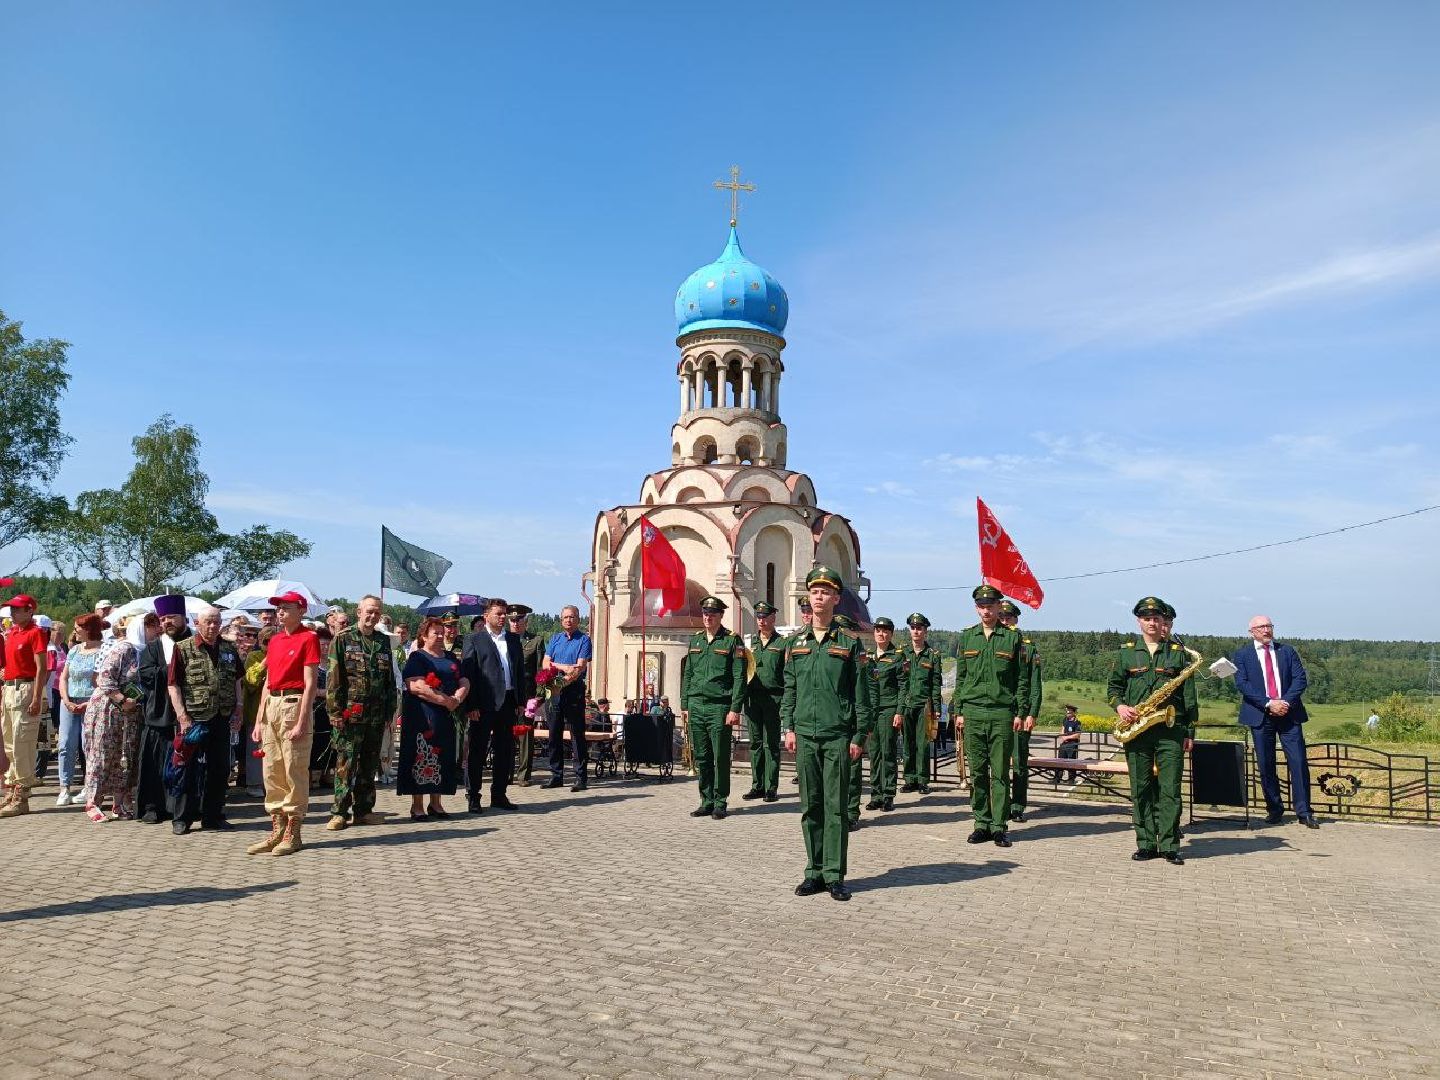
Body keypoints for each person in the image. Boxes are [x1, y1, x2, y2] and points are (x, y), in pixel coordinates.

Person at [782, 567, 873, 901]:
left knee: (835, 808)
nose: (818, 597)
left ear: (836, 599)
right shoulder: (796, 644)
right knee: (811, 807)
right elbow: (789, 688)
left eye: (825, 592)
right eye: (814, 592)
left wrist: (858, 737)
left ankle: (835, 874)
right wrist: (788, 727)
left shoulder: (848, 645)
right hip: (805, 734)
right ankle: (814, 872)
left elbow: (861, 695)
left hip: (837, 736)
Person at [1107, 596, 1197, 866]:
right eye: (1147, 618)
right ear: (1139, 621)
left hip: (1170, 730)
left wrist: (1189, 732)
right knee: (1141, 788)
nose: (1152, 623)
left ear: (1162, 621)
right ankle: (1146, 843)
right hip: (1138, 730)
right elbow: (1113, 689)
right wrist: (1121, 707)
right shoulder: (1125, 653)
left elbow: (1189, 697)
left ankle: (1169, 844)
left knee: (1170, 789)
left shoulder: (1178, 654)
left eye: (1157, 618)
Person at [953, 585, 1030, 848]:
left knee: (998, 773)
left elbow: (1021, 678)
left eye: (991, 606)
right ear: (976, 608)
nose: (986, 611)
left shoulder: (1012, 638)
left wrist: (1020, 711)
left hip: (1001, 713)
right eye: (982, 606)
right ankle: (981, 823)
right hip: (973, 712)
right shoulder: (967, 638)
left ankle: (999, 826)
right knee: (977, 773)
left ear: (999, 607)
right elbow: (961, 677)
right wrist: (959, 710)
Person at [246, 592, 321, 857]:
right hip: (272, 706)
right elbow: (267, 681)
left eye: (286, 608)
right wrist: (258, 719)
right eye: (278, 608)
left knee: (294, 767)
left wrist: (302, 720)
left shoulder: (309, 638)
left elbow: (310, 683)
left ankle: (293, 831)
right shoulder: (275, 640)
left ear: (301, 610)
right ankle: (276, 828)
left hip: (293, 703)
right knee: (272, 768)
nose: (280, 613)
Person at [1232, 615, 1316, 828]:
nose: (1266, 630)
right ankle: (1274, 809)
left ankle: (1304, 811)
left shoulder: (1287, 651)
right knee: (1266, 764)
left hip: (1289, 713)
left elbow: (1300, 679)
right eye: (1261, 627)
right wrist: (1269, 703)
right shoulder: (1242, 655)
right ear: (1251, 631)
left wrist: (1284, 702)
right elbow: (1242, 684)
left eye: (1269, 626)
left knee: (1298, 761)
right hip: (1260, 714)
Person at [323, 595, 398, 831]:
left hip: (376, 716)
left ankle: (364, 810)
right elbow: (334, 679)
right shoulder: (343, 639)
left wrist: (390, 714)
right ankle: (339, 812)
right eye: (369, 611)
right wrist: (335, 712)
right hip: (350, 715)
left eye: (377, 612)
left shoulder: (383, 641)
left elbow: (390, 681)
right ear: (359, 612)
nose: (373, 616)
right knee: (346, 764)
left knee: (369, 764)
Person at [167, 605, 242, 834]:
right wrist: (182, 715)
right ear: (197, 624)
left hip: (222, 716)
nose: (213, 626)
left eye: (217, 622)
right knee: (188, 769)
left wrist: (239, 709)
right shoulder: (184, 648)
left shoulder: (229, 648)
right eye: (208, 622)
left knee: (220, 770)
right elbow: (173, 684)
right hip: (194, 719)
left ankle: (213, 816)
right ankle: (182, 818)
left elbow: (238, 681)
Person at [680, 596, 748, 820]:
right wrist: (685, 704)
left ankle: (720, 801)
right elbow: (688, 673)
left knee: (720, 756)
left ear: (721, 616)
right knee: (702, 755)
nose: (708, 617)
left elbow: (739, 677)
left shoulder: (731, 640)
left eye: (712, 614)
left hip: (719, 706)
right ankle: (706, 800)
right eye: (705, 613)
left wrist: (734, 708)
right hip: (696, 705)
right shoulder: (697, 640)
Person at [77, 615, 148, 822]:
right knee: (101, 754)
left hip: (130, 712)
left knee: (124, 756)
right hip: (108, 708)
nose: (156, 631)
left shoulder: (145, 651)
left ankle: (119, 803)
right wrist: (121, 698)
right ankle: (93, 802)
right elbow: (104, 677)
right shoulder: (123, 648)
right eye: (150, 626)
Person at [399, 616, 468, 819]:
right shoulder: (418, 658)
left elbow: (464, 679)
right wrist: (446, 700)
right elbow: (416, 686)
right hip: (422, 717)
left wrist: (457, 697)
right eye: (435, 633)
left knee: (443, 757)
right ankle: (417, 805)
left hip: (446, 717)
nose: (440, 635)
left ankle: (436, 803)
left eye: (441, 632)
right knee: (421, 757)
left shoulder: (451, 657)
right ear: (423, 635)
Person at [461, 597, 523, 814]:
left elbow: (518, 672)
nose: (503, 617)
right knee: (477, 751)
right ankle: (473, 796)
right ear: (486, 616)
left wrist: (520, 701)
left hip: (507, 702)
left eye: (505, 613)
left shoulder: (513, 640)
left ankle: (499, 795)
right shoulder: (474, 639)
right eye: (498, 613)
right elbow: (470, 673)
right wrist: (472, 704)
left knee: (504, 751)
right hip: (483, 703)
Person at [135, 595, 191, 825]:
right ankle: (154, 807)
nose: (167, 622)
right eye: (163, 618)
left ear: (184, 618)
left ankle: (185, 809)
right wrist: (169, 670)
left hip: (189, 714)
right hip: (159, 714)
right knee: (155, 764)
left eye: (172, 617)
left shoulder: (195, 644)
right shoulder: (153, 648)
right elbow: (145, 674)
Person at [1, 593, 50, 817]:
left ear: (30, 610)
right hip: (10, 688)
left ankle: (21, 796)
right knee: (10, 742)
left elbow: (42, 668)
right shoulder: (11, 633)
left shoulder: (36, 633)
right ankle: (11, 791)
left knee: (23, 742)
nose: (13, 612)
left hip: (26, 688)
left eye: (18, 609)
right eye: (12, 609)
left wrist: (37, 697)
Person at [998, 599, 1042, 824]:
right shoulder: (994, 644)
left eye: (1009, 618)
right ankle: (1001, 804)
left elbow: (1035, 685)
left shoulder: (1028, 647)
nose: (1005, 621)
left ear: (1016, 619)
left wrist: (1031, 713)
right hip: (999, 712)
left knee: (1019, 763)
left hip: (1021, 714)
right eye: (1002, 618)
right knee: (999, 763)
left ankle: (1017, 805)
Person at [55, 614, 105, 806]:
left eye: (78, 627)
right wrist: (65, 699)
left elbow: (101, 681)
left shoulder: (102, 650)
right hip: (69, 702)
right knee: (65, 743)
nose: (74, 630)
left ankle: (88, 785)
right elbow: (64, 677)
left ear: (89, 629)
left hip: (90, 703)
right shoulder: (74, 650)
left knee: (88, 745)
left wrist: (89, 703)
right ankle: (64, 787)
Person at [543, 605, 592, 792]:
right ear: (561, 620)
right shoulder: (555, 639)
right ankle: (556, 775)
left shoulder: (584, 640)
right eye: (565, 617)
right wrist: (563, 667)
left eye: (572, 617)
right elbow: (545, 663)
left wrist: (561, 680)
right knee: (554, 734)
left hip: (574, 692)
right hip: (554, 693)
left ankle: (581, 777)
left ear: (578, 619)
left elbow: (579, 668)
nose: (568, 620)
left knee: (576, 735)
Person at [831, 613, 873, 832]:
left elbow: (863, 693)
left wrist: (863, 727)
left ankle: (851, 812)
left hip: (852, 719)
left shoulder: (856, 653)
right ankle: (837, 812)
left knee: (853, 770)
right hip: (834, 720)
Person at [741, 600, 785, 803]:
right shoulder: (750, 644)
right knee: (755, 743)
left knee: (772, 744)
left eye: (765, 617)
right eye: (758, 617)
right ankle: (757, 785)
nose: (761, 620)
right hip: (753, 699)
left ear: (773, 618)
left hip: (774, 699)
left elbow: (787, 674)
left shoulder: (782, 644)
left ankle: (771, 787)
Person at [898, 613, 942, 796]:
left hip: (925, 705)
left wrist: (937, 708)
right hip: (907, 705)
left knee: (923, 744)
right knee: (908, 743)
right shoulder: (903, 653)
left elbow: (936, 683)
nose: (916, 631)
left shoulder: (932, 655)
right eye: (913, 628)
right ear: (910, 630)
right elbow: (899, 681)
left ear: (925, 631)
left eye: (920, 628)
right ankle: (910, 779)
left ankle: (923, 780)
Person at [865, 616, 905, 813]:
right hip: (872, 711)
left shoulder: (897, 657)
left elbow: (903, 686)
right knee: (874, 754)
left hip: (889, 709)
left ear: (891, 634)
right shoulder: (868, 656)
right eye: (878, 631)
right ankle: (876, 794)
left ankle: (888, 794)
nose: (881, 634)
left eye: (885, 631)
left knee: (888, 752)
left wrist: (899, 711)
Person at [1057, 704, 1082, 783]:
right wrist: (1062, 736)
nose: (1067, 713)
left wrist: (1067, 737)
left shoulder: (1077, 722)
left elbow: (1078, 735)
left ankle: (1071, 779)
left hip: (1072, 744)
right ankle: (1058, 777)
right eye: (1067, 712)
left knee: (1071, 762)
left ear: (1073, 713)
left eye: (1069, 712)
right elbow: (1062, 729)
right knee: (1060, 761)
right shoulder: (1065, 720)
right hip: (1064, 743)